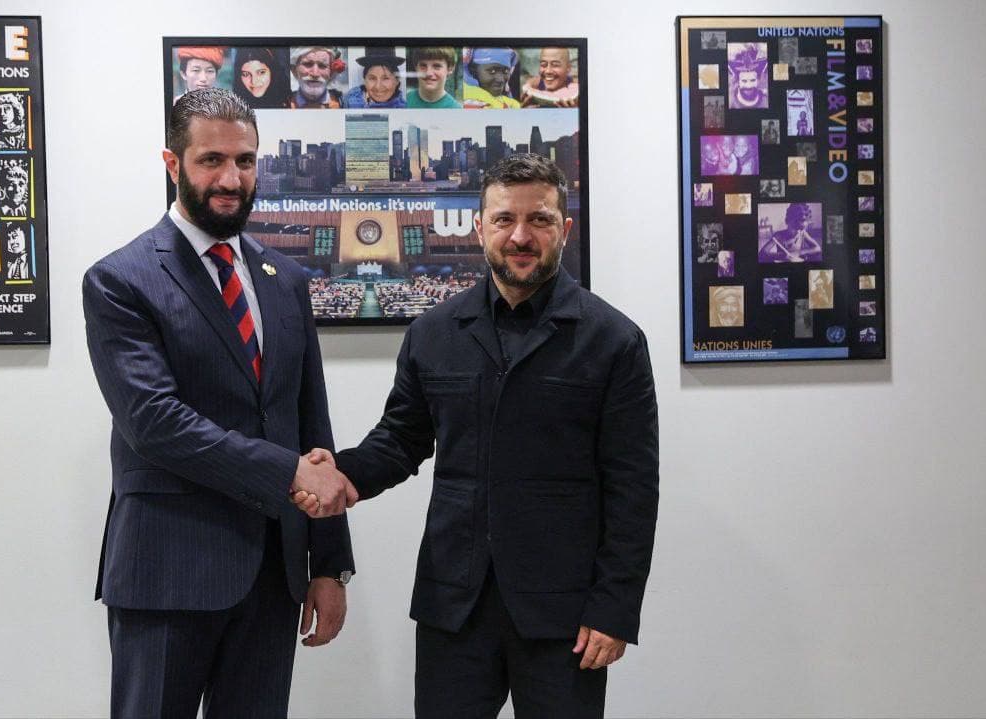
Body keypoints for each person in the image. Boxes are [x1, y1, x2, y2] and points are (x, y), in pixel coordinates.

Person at [301, 154, 659, 718]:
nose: (520, 236)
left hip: (564, 616)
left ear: (564, 229)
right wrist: (343, 473)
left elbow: (633, 488)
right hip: (454, 606)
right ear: (479, 228)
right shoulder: (433, 331)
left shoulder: (614, 341)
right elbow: (401, 438)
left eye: (539, 220)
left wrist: (614, 610)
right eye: (504, 220)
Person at [82, 88, 357, 718]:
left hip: (272, 575)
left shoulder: (285, 281)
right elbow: (155, 422)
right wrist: (287, 472)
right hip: (167, 572)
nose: (231, 179)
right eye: (211, 160)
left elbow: (311, 427)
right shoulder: (121, 280)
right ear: (172, 163)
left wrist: (329, 563)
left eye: (246, 161)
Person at [728, 43, 768, 109]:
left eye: (752, 80)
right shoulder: (730, 102)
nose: (749, 85)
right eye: (744, 81)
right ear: (738, 81)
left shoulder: (766, 100)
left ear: (758, 80)